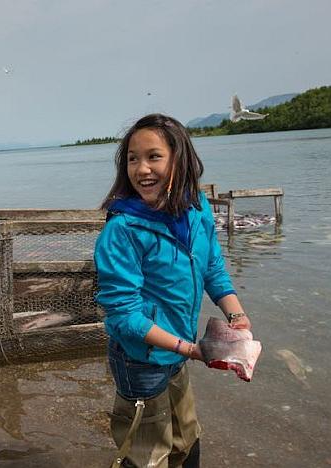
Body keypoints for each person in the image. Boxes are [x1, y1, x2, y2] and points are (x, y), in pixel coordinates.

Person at [94, 113, 251, 468]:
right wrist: (190, 349)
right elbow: (124, 315)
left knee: (186, 435)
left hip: (179, 348)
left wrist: (237, 316)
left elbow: (212, 267)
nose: (142, 169)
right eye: (133, 159)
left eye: (154, 156)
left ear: (179, 158)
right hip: (140, 357)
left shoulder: (197, 207)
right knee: (147, 452)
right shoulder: (122, 230)